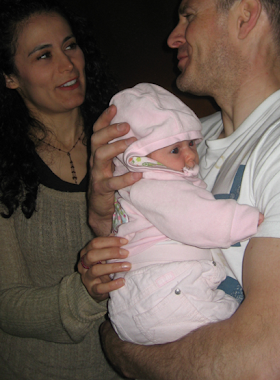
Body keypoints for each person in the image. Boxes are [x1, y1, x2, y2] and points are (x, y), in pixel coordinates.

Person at [80, 0, 280, 379]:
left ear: (245, 17)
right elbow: (141, 242)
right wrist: (100, 218)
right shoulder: (182, 141)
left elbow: (265, 370)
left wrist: (121, 346)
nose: (173, 37)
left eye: (189, 16)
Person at [0, 0, 123, 380]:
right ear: (10, 77)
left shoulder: (126, 141)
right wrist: (86, 292)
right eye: (44, 55)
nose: (68, 65)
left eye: (70, 46)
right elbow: (7, 304)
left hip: (124, 364)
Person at [101, 82, 262, 346]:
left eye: (191, 144)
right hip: (166, 289)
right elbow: (197, 218)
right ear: (139, 157)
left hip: (145, 296)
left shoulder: (136, 185)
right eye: (175, 150)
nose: (190, 156)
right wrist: (246, 220)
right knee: (245, 335)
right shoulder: (153, 183)